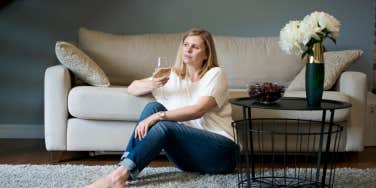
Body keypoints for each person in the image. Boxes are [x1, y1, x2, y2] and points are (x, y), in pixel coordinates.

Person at [87, 28, 240, 188]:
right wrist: (153, 83)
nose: (188, 50)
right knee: (152, 107)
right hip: (189, 160)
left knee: (162, 124)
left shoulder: (215, 74)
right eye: (185, 44)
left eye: (195, 47)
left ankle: (116, 177)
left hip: (223, 154)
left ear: (206, 54)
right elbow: (132, 88)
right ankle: (123, 171)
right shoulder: (173, 76)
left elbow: (198, 110)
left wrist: (158, 116)